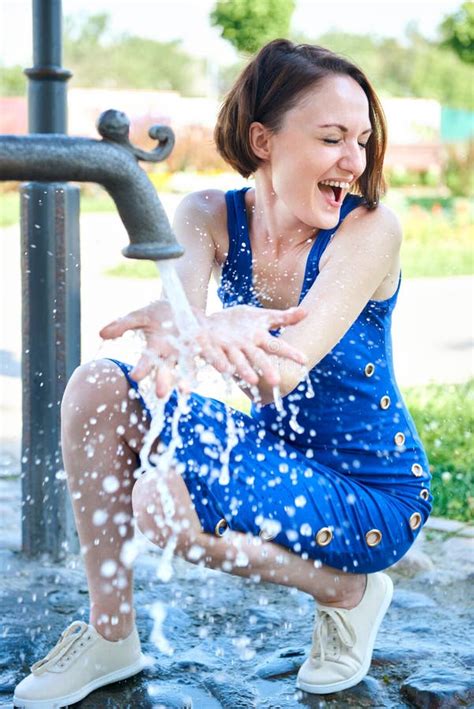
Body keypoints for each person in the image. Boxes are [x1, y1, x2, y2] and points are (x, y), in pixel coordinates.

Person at [14, 38, 431, 707]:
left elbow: (281, 377)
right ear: (264, 140)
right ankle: (111, 634)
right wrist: (181, 332)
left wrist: (203, 328)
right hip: (274, 461)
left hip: (370, 493)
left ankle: (348, 590)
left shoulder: (371, 231)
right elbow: (178, 346)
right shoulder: (208, 216)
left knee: (163, 503)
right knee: (97, 386)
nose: (353, 161)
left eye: (361, 139)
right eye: (331, 139)